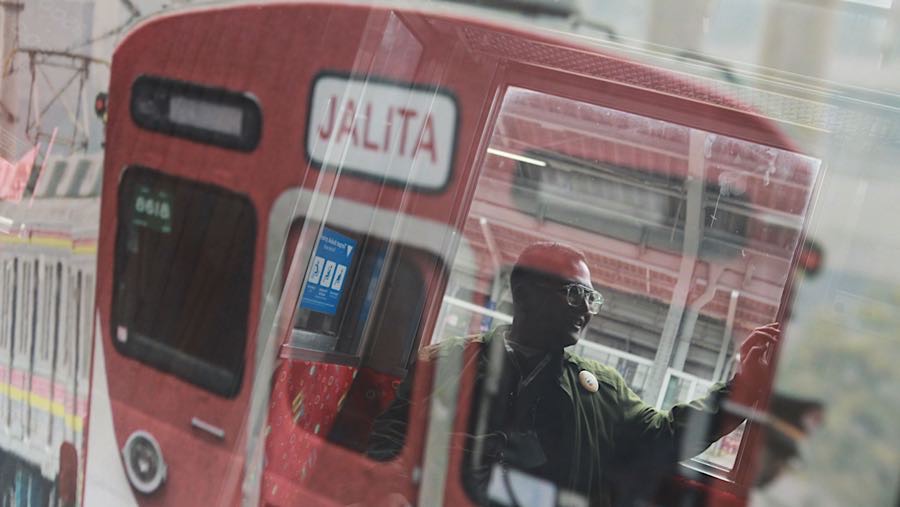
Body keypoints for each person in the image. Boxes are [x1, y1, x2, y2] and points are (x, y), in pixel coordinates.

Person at [368, 242, 780, 506]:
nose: (586, 309)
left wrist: (743, 388)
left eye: (591, 298)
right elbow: (389, 441)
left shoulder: (601, 391)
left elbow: (664, 439)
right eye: (575, 294)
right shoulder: (444, 364)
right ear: (525, 294)